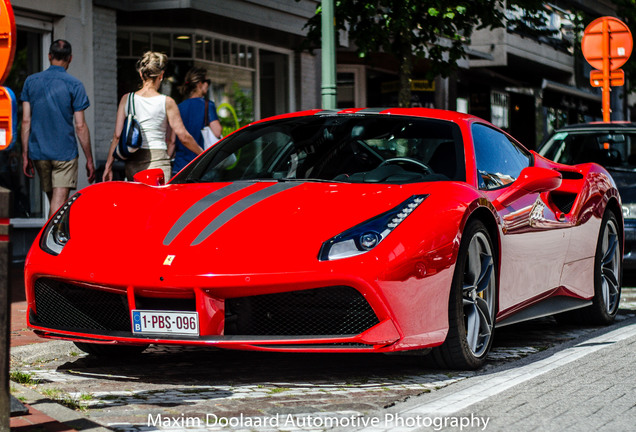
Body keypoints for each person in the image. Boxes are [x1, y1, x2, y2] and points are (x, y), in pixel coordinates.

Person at [21, 39, 96, 218]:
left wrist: (25, 155)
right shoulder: (74, 85)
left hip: (39, 152)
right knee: (59, 206)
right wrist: (89, 159)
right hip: (64, 153)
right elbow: (80, 125)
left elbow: (25, 121)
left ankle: (55, 240)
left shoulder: (31, 82)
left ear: (49, 56)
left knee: (54, 203)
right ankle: (49, 244)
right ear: (70, 58)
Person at [103, 51, 202, 182]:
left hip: (133, 162)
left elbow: (117, 135)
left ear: (140, 74)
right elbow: (183, 136)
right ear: (161, 76)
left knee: (137, 202)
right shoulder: (167, 102)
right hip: (158, 163)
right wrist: (203, 153)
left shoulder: (127, 99)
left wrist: (108, 166)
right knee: (160, 202)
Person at [172, 67, 222, 176]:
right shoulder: (207, 105)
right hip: (201, 166)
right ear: (200, 84)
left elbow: (172, 140)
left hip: (180, 166)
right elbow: (217, 131)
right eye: (207, 82)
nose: (208, 85)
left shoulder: (177, 107)